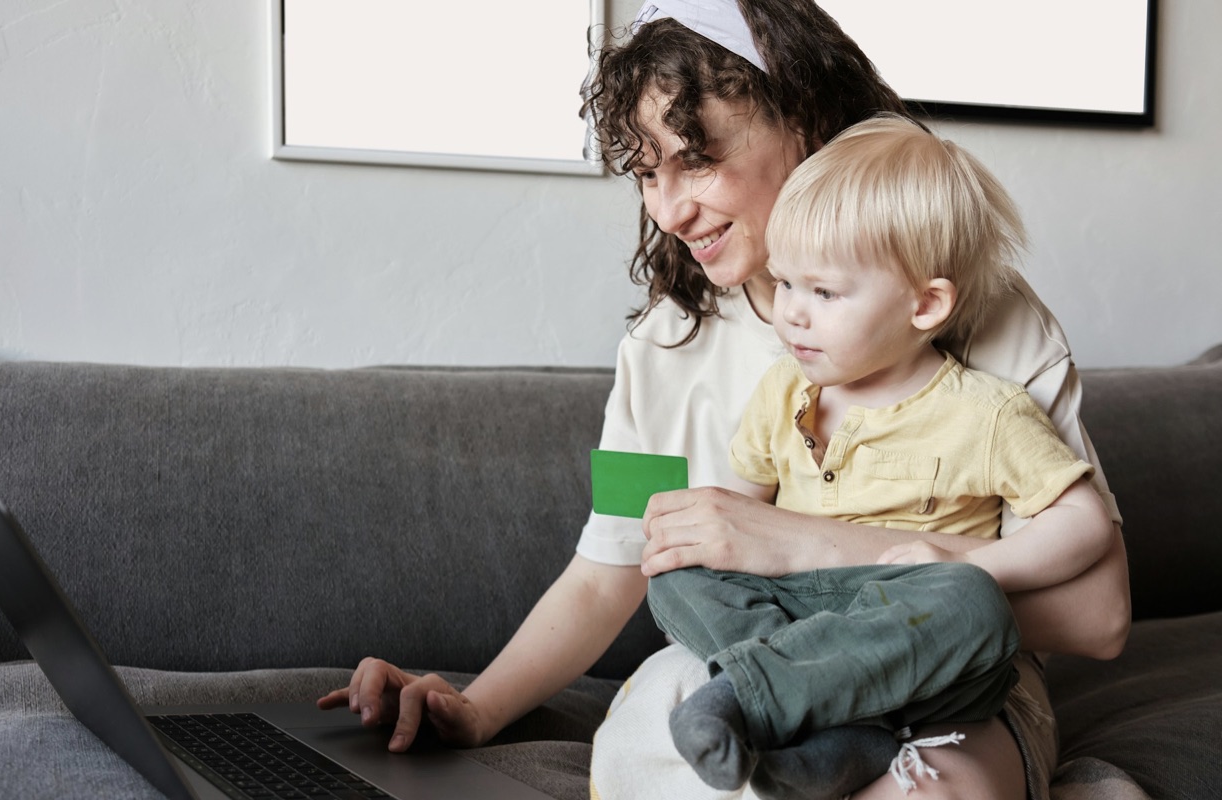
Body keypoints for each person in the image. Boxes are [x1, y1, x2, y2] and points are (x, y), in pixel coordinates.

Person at [317, 2, 1131, 798]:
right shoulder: (662, 350)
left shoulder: (979, 313)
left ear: (804, 122)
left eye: (697, 159)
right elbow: (611, 571)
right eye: (646, 173)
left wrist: (794, 544)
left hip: (959, 689)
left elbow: (1097, 614)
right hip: (759, 665)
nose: (668, 211)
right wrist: (475, 708)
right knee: (667, 693)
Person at [644, 114, 1114, 800]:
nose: (792, 314)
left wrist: (969, 563)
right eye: (785, 284)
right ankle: (834, 720)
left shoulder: (986, 412)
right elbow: (738, 519)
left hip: (925, 650)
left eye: (824, 292)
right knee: (673, 575)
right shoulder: (783, 391)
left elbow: (1084, 525)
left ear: (925, 304)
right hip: (812, 628)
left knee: (972, 603)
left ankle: (765, 696)